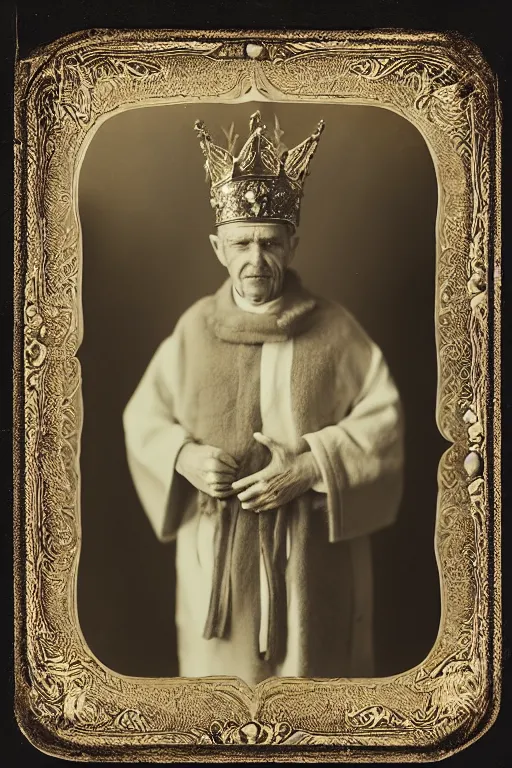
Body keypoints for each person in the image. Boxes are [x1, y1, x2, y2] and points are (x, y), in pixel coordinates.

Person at [123, 111, 404, 684]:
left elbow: (386, 422)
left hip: (312, 554)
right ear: (217, 247)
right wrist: (183, 457)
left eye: (270, 243)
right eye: (242, 244)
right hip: (221, 561)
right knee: (224, 706)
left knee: (312, 702)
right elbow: (143, 417)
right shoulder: (195, 329)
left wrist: (308, 468)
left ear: (293, 243)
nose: (256, 261)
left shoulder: (335, 329)